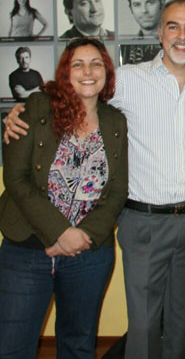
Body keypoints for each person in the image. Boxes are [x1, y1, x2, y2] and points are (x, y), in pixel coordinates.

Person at [4, 0, 185, 359]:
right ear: (159, 33)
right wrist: (21, 110)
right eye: (173, 26)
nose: (181, 35)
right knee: (145, 325)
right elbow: (76, 88)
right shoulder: (126, 81)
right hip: (144, 220)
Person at [0, 37, 128, 359]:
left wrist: (81, 236)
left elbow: (116, 191)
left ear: (106, 72)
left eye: (96, 63)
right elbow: (16, 178)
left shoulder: (115, 122)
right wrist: (61, 233)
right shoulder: (37, 108)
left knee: (78, 346)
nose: (88, 71)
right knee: (13, 346)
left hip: (88, 253)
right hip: (28, 250)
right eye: (78, 64)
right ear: (65, 72)